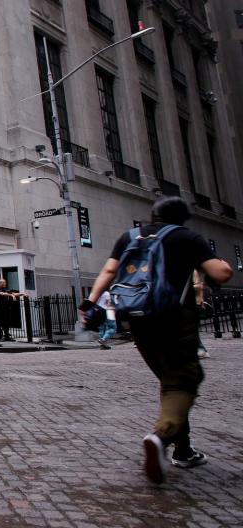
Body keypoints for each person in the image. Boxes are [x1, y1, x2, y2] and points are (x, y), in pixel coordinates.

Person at [78, 196, 232, 483]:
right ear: (182, 217)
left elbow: (110, 271)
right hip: (173, 318)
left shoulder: (130, 237)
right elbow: (220, 274)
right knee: (183, 380)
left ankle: (183, 450)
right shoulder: (185, 237)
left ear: (153, 215)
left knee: (169, 381)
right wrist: (224, 264)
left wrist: (90, 301)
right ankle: (160, 437)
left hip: (138, 319)